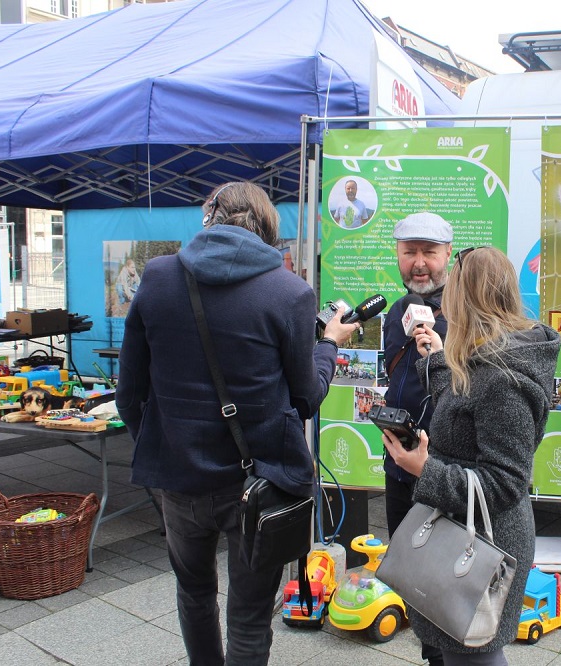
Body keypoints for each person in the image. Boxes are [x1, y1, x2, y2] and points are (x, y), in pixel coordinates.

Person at [115, 181, 359, 666]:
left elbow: (129, 394)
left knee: (193, 595)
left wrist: (163, 448)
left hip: (179, 479)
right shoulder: (290, 292)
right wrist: (329, 344)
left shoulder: (158, 277)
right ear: (268, 228)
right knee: (248, 619)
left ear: (209, 218)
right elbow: (306, 398)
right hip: (260, 479)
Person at [382, 246, 561, 666]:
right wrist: (437, 360)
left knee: (473, 655)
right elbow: (466, 405)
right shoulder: (487, 356)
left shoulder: (504, 378)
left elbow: (505, 482)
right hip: (466, 534)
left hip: (483, 545)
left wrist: (424, 469)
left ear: (466, 299)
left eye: (452, 291)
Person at [381, 211, 453, 666]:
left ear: (448, 254)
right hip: (398, 464)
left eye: (429, 252)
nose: (419, 263)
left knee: (445, 578)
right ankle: (431, 655)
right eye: (410, 252)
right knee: (407, 570)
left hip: (444, 469)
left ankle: (448, 657)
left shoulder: (467, 313)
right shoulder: (395, 313)